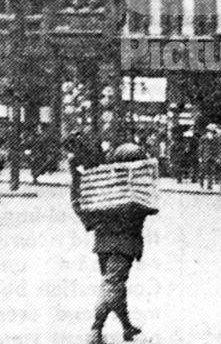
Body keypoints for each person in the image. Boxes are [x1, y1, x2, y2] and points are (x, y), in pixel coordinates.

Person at [76, 142, 149, 344]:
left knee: (116, 286)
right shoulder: (140, 189)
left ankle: (127, 327)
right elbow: (149, 210)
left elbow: (82, 208)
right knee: (113, 285)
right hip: (125, 244)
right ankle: (95, 330)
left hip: (103, 243)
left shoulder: (104, 185)